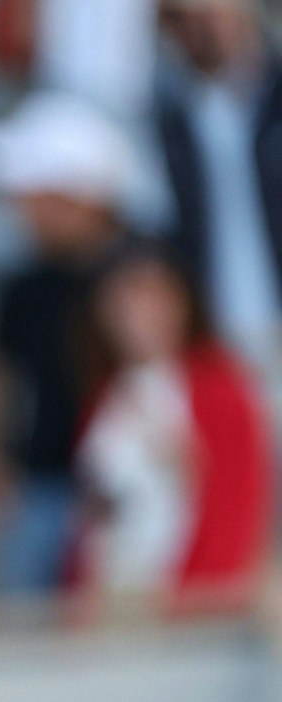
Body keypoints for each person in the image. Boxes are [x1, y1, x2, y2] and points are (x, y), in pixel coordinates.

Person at [0, 91, 140, 593]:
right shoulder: (20, 284)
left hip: (128, 490)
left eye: (34, 192)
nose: (20, 208)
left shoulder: (144, 273)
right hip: (41, 488)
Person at [74, 242, 273, 615]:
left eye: (154, 295)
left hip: (187, 596)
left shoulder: (219, 387)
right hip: (117, 588)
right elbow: (94, 508)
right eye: (126, 298)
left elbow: (236, 495)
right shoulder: (107, 391)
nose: (139, 312)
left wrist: (202, 592)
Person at [153, 0, 282, 409]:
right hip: (216, 322)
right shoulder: (170, 112)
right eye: (181, 19)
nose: (200, 29)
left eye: (211, 15)